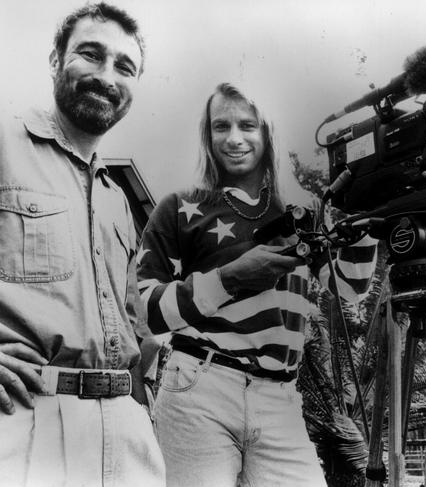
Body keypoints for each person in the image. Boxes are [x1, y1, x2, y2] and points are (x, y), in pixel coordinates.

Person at [136, 82, 377, 487]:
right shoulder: (180, 205)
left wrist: (363, 213)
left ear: (268, 132)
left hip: (280, 396)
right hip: (200, 386)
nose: (234, 139)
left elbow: (350, 288)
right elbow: (146, 309)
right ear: (206, 135)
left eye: (248, 125)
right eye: (220, 126)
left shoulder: (307, 206)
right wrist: (229, 279)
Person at [0, 3, 165, 486]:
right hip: (27, 422)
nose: (106, 76)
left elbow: (142, 326)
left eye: (124, 66)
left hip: (128, 435)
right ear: (56, 61)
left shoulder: (118, 200)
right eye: (90, 55)